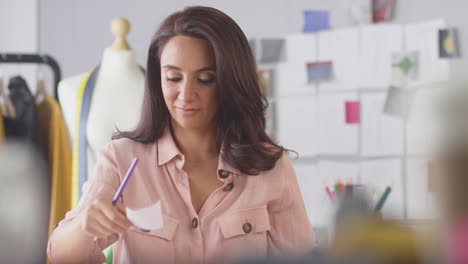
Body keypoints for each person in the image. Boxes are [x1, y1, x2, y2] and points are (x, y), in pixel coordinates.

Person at [47, 6, 314, 264]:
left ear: (230, 81)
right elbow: (61, 256)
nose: (186, 95)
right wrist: (85, 226)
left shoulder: (269, 166)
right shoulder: (122, 159)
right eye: (173, 77)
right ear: (158, 78)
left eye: (205, 79)